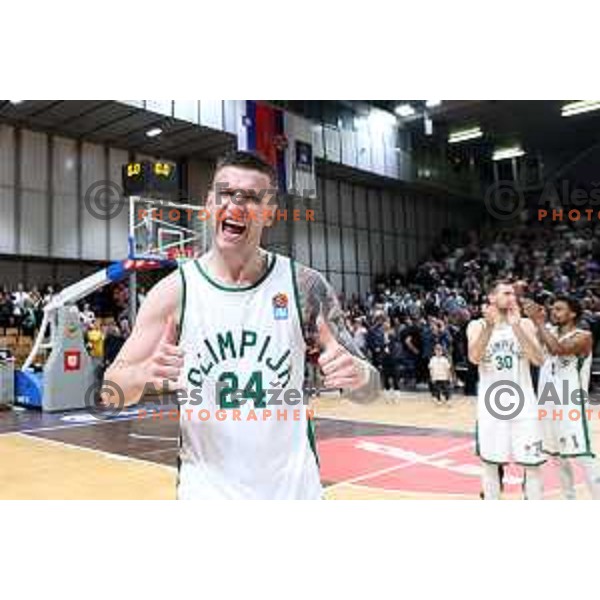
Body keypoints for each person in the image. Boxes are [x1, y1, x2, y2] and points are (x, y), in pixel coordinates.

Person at [102, 151, 379, 500]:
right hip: (206, 496)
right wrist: (144, 374)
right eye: (224, 193)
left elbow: (372, 390)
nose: (234, 205)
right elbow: (110, 392)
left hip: (294, 494)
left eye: (249, 197)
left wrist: (359, 375)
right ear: (208, 205)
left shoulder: (305, 287)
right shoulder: (174, 292)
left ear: (270, 213)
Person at [467, 280, 545, 500]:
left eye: (514, 293)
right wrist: (491, 327)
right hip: (491, 407)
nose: (512, 297)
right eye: (506, 293)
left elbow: (538, 360)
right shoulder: (477, 325)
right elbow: (474, 358)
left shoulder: (526, 324)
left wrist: (517, 326)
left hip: (525, 405)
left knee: (532, 466)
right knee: (490, 466)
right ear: (492, 297)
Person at [527, 295, 600, 499]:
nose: (554, 312)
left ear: (573, 313)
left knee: (583, 454)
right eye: (553, 309)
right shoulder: (548, 330)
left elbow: (557, 349)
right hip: (548, 403)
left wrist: (539, 322)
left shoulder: (583, 336)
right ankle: (569, 500)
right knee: (558, 457)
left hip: (571, 404)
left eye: (559, 309)